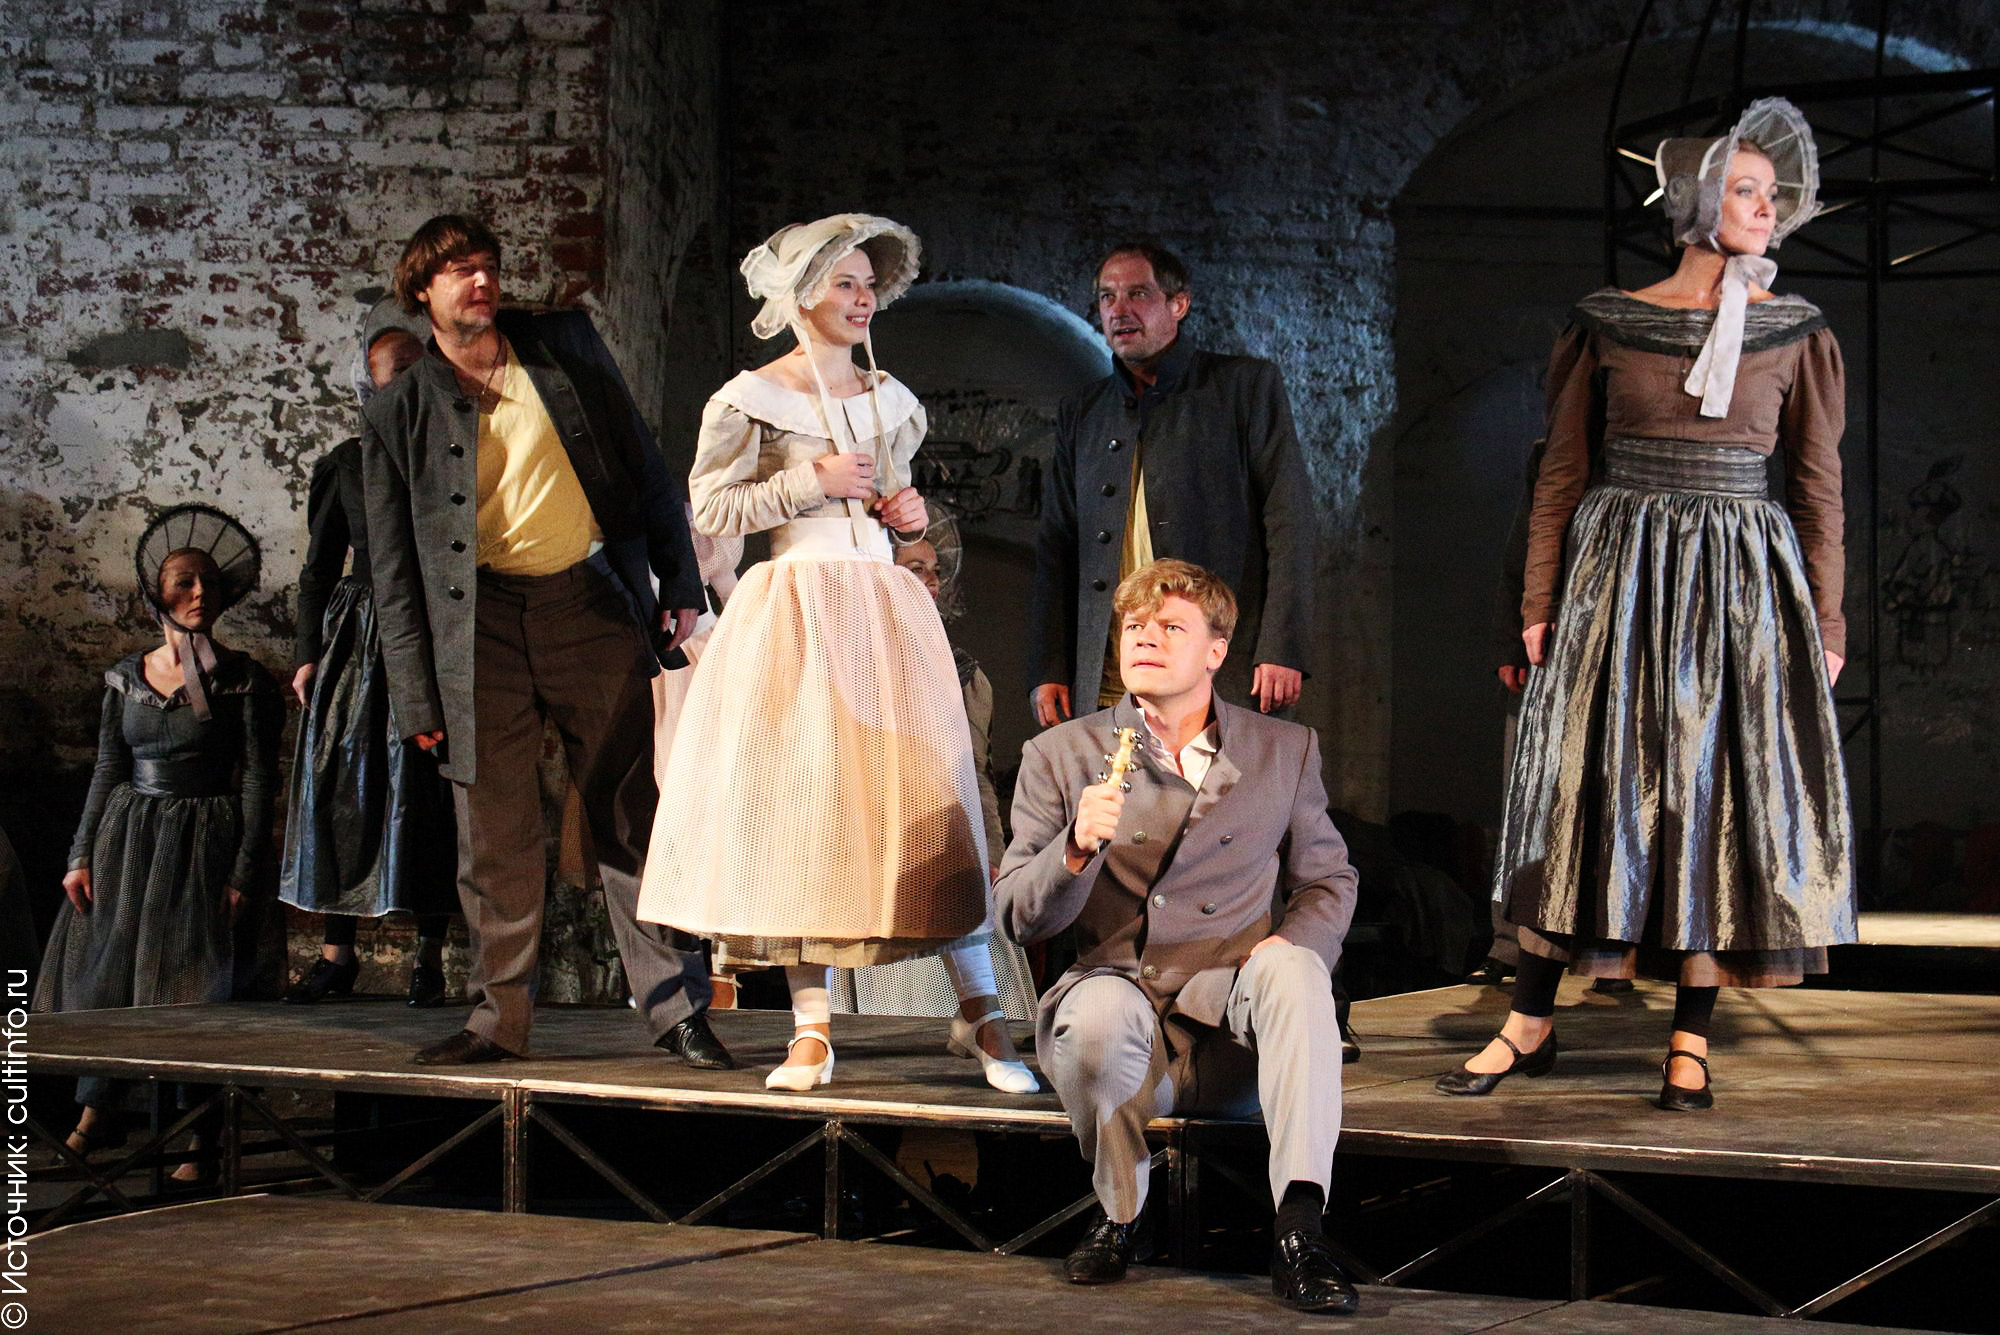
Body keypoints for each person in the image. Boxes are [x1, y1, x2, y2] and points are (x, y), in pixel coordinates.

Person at [1439, 99, 1854, 1112]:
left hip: (1740, 585)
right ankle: (1527, 1019)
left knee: (1713, 796)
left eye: (1770, 194)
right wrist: (1537, 600)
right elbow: (1560, 474)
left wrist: (1827, 620)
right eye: (1745, 190)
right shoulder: (1608, 322)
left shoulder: (1794, 332)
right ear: (1699, 203)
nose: (1765, 208)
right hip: (1615, 576)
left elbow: (1816, 487)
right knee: (1582, 789)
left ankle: (1689, 1036)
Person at [638, 214, 1005, 1093]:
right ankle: (811, 1028)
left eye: (869, 283)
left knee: (925, 800)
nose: (862, 297)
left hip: (881, 609)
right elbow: (710, 510)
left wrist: (905, 516)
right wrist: (809, 481)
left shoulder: (890, 400)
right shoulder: (751, 398)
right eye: (844, 282)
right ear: (802, 294)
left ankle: (983, 1010)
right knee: (809, 811)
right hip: (798, 607)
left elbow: (895, 506)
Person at [360, 214, 730, 1069]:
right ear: (422, 290)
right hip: (477, 628)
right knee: (494, 835)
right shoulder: (397, 411)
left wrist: (679, 582)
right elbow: (393, 570)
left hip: (585, 600)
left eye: (488, 266)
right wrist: (416, 694)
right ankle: (499, 1019)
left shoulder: (561, 345)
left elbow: (642, 461)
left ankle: (678, 1009)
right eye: (460, 270)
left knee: (628, 809)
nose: (481, 281)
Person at [996, 559, 1360, 1313]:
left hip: (1232, 1028)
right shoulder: (1060, 754)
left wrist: (1292, 942)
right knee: (1099, 1012)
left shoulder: (1282, 749)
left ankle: (1300, 1229)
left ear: (1216, 651)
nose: (1146, 639)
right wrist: (1073, 851)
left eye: (1171, 626)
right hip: (1122, 1022)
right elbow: (1016, 915)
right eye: (1135, 626)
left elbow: (1329, 879)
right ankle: (1122, 1215)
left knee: (1298, 971)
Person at [35, 506, 282, 1178]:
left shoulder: (244, 680)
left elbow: (258, 779)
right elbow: (107, 768)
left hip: (206, 841)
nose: (200, 593)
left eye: (210, 583)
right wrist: (80, 853)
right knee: (111, 978)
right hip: (130, 841)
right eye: (185, 582)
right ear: (157, 593)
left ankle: (202, 1134)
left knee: (196, 986)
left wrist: (244, 869)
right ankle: (96, 1115)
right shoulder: (125, 677)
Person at [1028, 240, 1314, 727]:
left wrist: (1281, 647)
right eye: (1107, 297)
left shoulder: (1243, 386)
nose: (1119, 310)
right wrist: (1050, 665)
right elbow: (1057, 543)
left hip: (1217, 662)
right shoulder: (1084, 410)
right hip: (1111, 666)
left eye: (1137, 294)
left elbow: (1290, 519)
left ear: (1179, 304)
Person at [282, 302, 456, 1007]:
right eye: (393, 373)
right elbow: (318, 568)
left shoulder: (457, 456)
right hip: (360, 639)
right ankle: (337, 953)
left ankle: (429, 957)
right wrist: (307, 653)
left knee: (432, 794)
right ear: (368, 385)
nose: (406, 384)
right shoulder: (346, 465)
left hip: (438, 631)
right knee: (345, 791)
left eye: (417, 370)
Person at [828, 511, 1039, 1093]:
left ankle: (979, 1025)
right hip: (865, 842)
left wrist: (992, 851)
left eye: (934, 570)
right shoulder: (845, 658)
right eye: (913, 568)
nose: (930, 580)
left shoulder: (961, 671)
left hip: (935, 838)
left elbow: (974, 774)